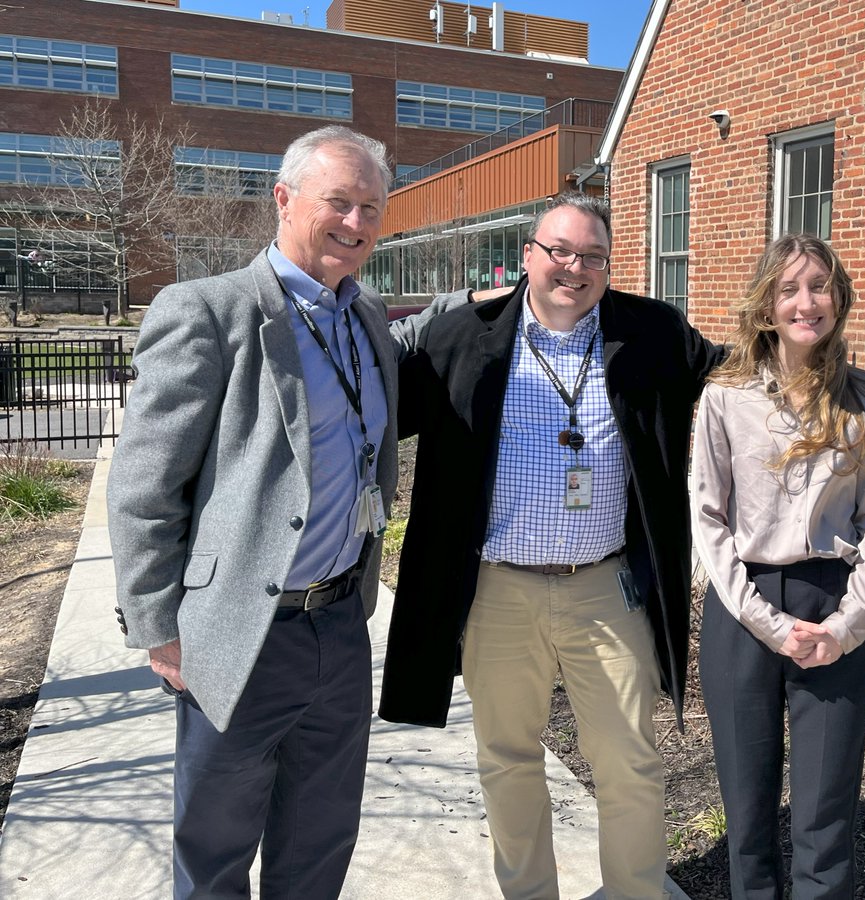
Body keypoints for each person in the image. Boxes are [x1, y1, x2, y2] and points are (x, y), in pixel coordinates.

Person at [107, 125, 462, 899]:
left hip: (340, 621)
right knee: (216, 847)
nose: (358, 223)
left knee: (321, 835)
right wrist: (158, 627)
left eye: (373, 207)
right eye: (339, 202)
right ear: (285, 198)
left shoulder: (365, 317)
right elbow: (142, 486)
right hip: (239, 629)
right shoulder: (209, 310)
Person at [378, 191, 725, 899]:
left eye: (593, 256)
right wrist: (455, 297)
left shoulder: (652, 332)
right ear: (527, 257)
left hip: (606, 589)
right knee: (507, 759)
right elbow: (366, 378)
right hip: (499, 589)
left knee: (630, 761)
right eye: (560, 251)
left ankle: (635, 893)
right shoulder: (464, 338)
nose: (576, 268)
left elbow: (745, 374)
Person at [690, 234, 865, 899]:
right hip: (742, 606)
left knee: (825, 811)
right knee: (748, 810)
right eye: (789, 289)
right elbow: (709, 518)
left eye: (819, 286)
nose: (806, 302)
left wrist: (845, 627)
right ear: (766, 306)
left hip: (833, 605)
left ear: (839, 297)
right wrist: (766, 623)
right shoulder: (724, 397)